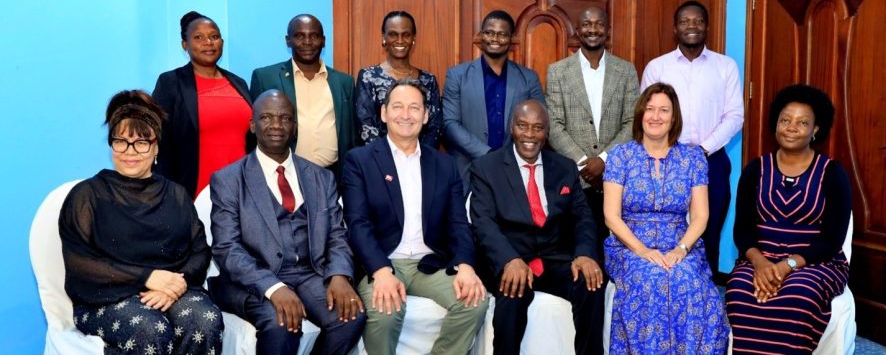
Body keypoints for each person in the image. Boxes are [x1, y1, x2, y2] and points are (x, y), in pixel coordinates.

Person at [60, 90, 223, 354]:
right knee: (149, 329)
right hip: (106, 297)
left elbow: (200, 250)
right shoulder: (87, 195)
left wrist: (175, 284)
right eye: (121, 141)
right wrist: (148, 277)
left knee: (205, 320)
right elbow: (81, 264)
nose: (129, 152)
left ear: (156, 146)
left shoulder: (176, 194)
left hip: (171, 289)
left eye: (141, 142)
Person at [209, 90, 366, 355]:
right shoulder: (229, 179)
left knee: (350, 316)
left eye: (285, 118)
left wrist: (339, 275)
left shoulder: (320, 177)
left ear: (294, 127)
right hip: (254, 279)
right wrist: (273, 287)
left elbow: (338, 234)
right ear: (252, 125)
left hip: (309, 273)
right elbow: (227, 248)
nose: (277, 125)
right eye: (267, 117)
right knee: (282, 323)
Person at [342, 79, 488, 355]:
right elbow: (358, 224)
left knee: (474, 302)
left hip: (429, 262)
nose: (406, 115)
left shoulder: (444, 165)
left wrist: (466, 266)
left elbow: (458, 223)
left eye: (414, 107)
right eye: (397, 107)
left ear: (425, 115)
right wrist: (381, 271)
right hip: (384, 262)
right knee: (385, 312)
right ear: (384, 114)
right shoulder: (359, 161)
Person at [470, 99, 606, 355]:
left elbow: (583, 218)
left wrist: (585, 254)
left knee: (592, 283)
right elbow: (483, 223)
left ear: (547, 132)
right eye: (523, 126)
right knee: (511, 294)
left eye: (538, 128)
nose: (530, 135)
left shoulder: (564, 167)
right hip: (513, 258)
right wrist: (509, 260)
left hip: (555, 259)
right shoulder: (486, 168)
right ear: (512, 128)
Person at [603, 83, 729, 354]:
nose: (655, 116)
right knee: (651, 280)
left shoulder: (693, 158)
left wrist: (681, 249)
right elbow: (611, 217)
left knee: (690, 283)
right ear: (640, 115)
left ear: (674, 118)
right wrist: (643, 250)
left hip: (680, 245)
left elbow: (701, 215)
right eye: (649, 109)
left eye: (663, 110)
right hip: (630, 246)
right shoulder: (621, 156)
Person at [726, 84, 851, 354]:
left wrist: (787, 266)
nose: (791, 127)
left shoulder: (833, 173)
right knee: (740, 291)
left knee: (797, 296)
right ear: (775, 124)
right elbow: (742, 230)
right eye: (785, 120)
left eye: (802, 122)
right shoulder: (755, 170)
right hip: (760, 256)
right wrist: (759, 263)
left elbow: (832, 239)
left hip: (816, 263)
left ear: (816, 129)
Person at [640, 0, 744, 275]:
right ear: (675, 29)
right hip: (664, 159)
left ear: (707, 27)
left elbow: (735, 116)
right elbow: (648, 115)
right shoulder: (657, 67)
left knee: (708, 231)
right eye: (685, 21)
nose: (692, 26)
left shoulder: (725, 66)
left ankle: (706, 293)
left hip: (711, 160)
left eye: (697, 21)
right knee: (665, 230)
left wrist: (703, 150)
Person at [546, 6, 640, 264]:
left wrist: (605, 160)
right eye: (587, 24)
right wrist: (585, 163)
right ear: (577, 30)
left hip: (616, 177)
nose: (593, 30)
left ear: (607, 30)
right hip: (575, 177)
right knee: (577, 248)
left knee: (613, 250)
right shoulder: (558, 71)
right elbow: (554, 124)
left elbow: (633, 121)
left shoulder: (626, 70)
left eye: (599, 25)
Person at [153, 11, 254, 199]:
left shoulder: (238, 83)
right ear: (185, 45)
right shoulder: (171, 82)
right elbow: (160, 141)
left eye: (214, 37)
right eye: (199, 37)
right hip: (192, 192)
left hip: (242, 191)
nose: (208, 42)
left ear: (222, 42)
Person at [443, 10, 545, 189]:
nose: (495, 38)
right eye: (489, 32)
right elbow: (450, 124)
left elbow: (541, 123)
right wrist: (488, 154)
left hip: (514, 168)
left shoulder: (528, 78)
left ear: (511, 39)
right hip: (467, 169)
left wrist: (507, 157)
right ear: (481, 35)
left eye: (502, 34)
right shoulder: (457, 76)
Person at [250, 14, 357, 177]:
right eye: (299, 36)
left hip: (332, 175)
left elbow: (351, 135)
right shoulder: (265, 77)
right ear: (288, 40)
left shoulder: (344, 82)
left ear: (323, 40)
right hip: (284, 175)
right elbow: (254, 132)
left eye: (314, 36)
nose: (307, 42)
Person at [355, 10, 443, 148]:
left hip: (420, 162)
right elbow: (366, 126)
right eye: (393, 34)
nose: (400, 40)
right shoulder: (368, 77)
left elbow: (434, 128)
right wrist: (389, 159)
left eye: (406, 35)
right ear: (384, 37)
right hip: (379, 162)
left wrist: (419, 159)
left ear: (414, 38)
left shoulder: (428, 80)